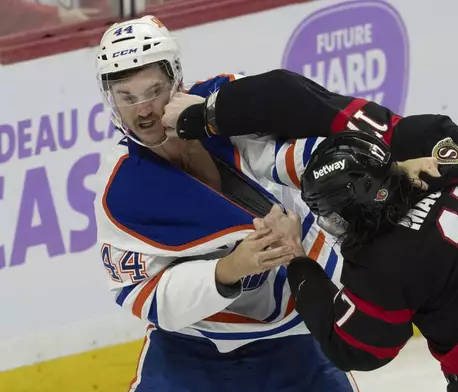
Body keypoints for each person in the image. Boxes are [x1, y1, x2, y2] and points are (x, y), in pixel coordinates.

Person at [160, 69, 458, 391]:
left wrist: (298, 261)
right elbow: (303, 98)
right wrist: (206, 115)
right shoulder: (439, 153)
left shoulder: (383, 262)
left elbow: (360, 348)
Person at [93, 16, 362, 392]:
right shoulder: (121, 190)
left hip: (297, 334)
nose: (143, 111)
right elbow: (143, 294)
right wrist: (228, 269)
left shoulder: (228, 105)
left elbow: (296, 156)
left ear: (175, 81)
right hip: (190, 353)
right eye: (127, 97)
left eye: (153, 90)